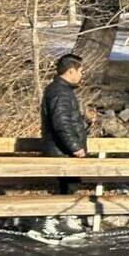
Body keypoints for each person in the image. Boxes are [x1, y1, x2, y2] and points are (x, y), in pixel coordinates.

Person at [34, 53, 94, 240]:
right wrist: (75, 147)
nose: (82, 75)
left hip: (64, 150)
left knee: (70, 186)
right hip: (61, 151)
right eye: (80, 71)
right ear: (71, 70)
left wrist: (87, 121)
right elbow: (61, 123)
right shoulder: (59, 92)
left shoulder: (63, 91)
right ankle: (48, 223)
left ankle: (67, 218)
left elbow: (69, 122)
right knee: (64, 187)